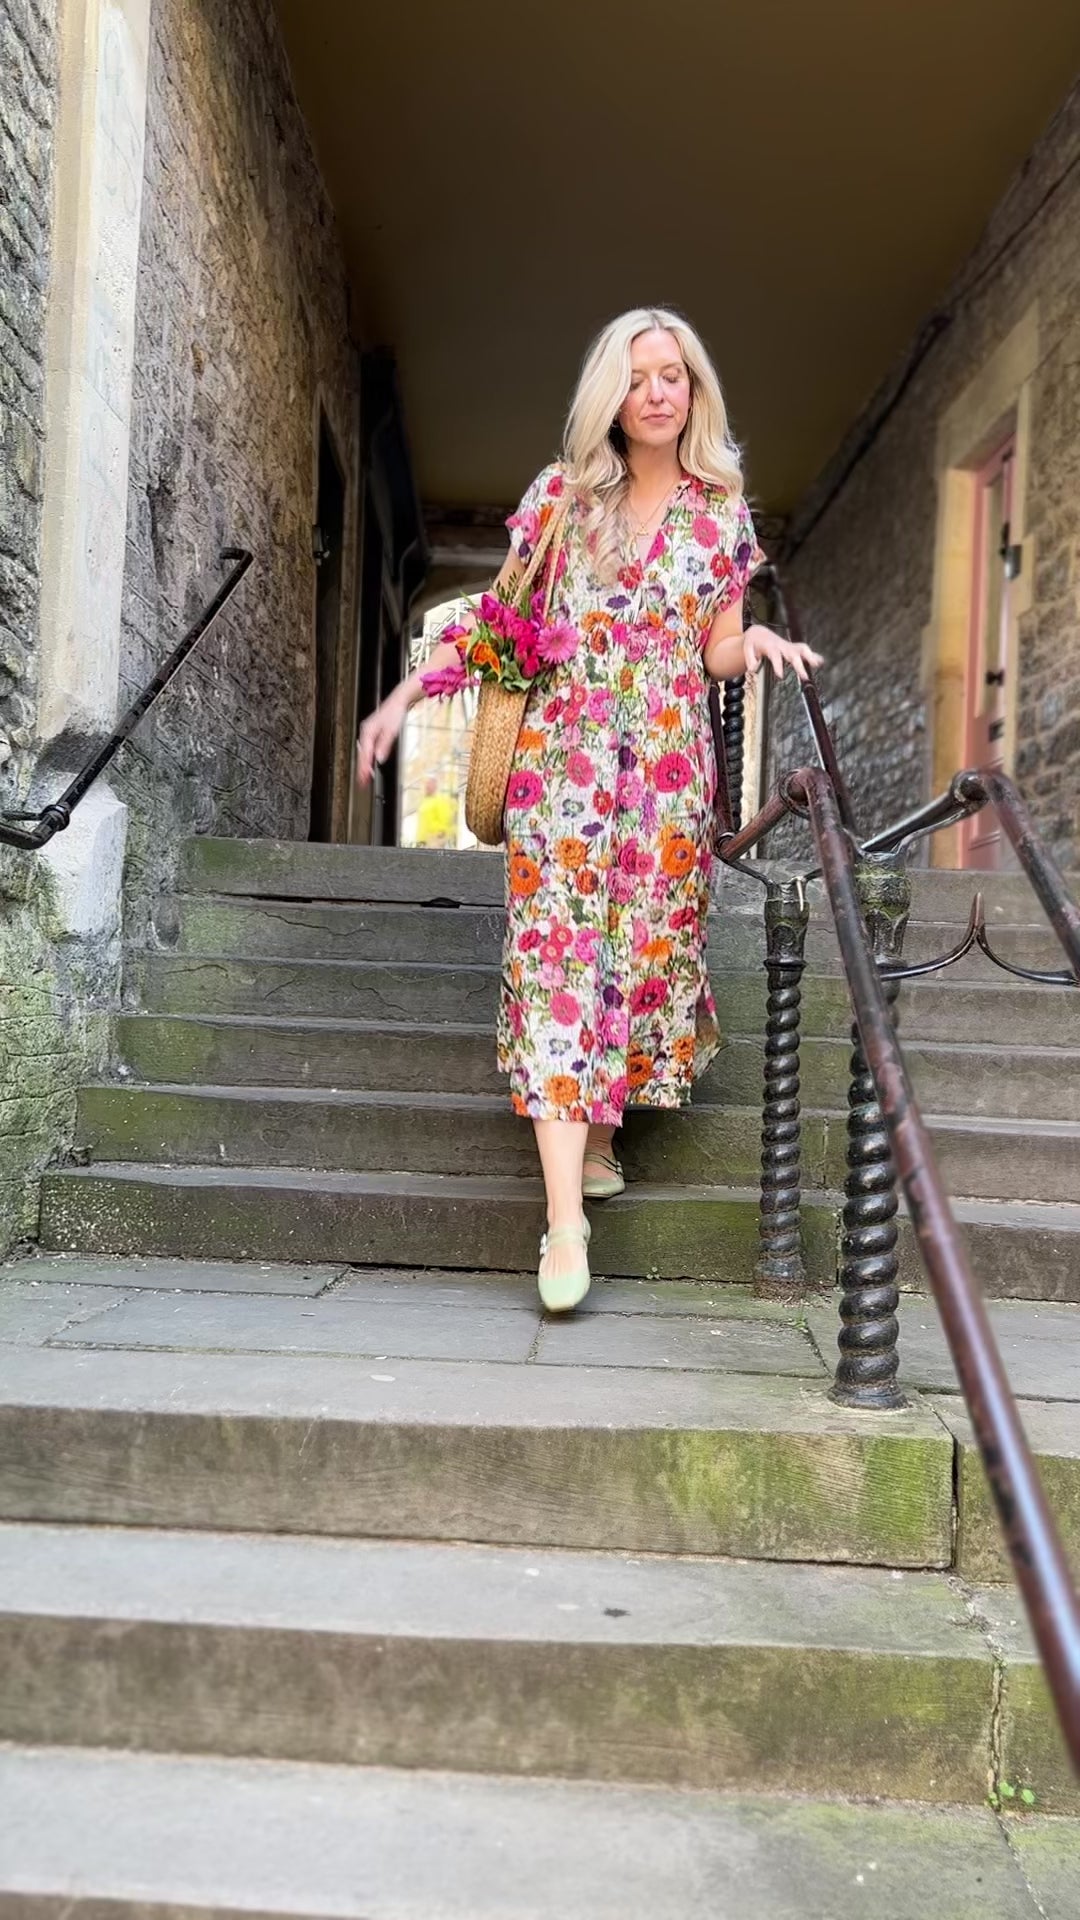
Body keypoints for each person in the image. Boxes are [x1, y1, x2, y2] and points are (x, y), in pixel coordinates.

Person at [358, 307, 821, 1314]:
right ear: (610, 393)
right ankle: (564, 1220)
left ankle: (603, 1133)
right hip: (561, 768)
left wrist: (755, 645)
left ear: (694, 392)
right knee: (560, 962)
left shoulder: (721, 516)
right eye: (638, 376)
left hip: (666, 774)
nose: (657, 392)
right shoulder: (560, 498)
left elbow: (715, 645)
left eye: (674, 376)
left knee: (643, 954)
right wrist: (407, 694)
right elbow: (503, 621)